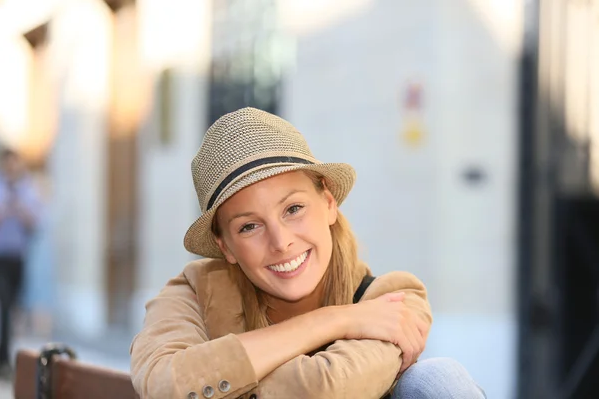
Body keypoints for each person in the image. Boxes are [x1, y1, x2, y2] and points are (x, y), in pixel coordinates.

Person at [130, 108, 485, 398]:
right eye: (248, 226)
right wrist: (334, 320)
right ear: (226, 247)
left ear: (329, 203)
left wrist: (218, 379)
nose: (281, 241)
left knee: (439, 380)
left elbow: (325, 388)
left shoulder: (390, 300)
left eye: (293, 209)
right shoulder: (192, 292)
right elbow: (164, 384)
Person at [0, 148, 41, 377]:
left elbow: (35, 222)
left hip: (18, 258)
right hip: (0, 257)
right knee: (4, 305)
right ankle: (3, 358)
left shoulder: (27, 189)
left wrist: (19, 206)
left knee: (13, 308)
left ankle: (6, 355)